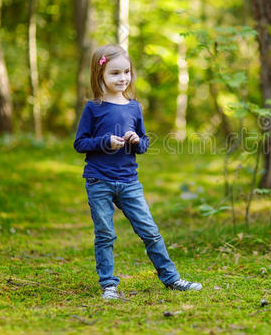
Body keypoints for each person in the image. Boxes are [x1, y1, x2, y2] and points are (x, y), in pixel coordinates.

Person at [73, 44, 202, 300]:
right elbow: (80, 143)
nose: (122, 78)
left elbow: (143, 144)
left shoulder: (134, 107)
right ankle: (109, 286)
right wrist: (104, 142)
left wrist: (135, 141)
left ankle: (171, 278)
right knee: (105, 234)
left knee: (150, 231)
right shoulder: (93, 108)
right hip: (99, 180)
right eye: (114, 73)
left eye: (126, 72)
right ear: (100, 76)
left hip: (129, 182)